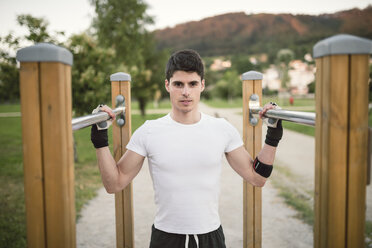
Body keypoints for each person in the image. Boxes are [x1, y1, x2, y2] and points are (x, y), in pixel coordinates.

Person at [90, 49, 283, 248]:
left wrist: (273, 134)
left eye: (192, 84)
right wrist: (100, 136)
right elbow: (114, 184)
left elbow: (257, 178)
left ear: (202, 85)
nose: (185, 92)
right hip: (165, 237)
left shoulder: (221, 129)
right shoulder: (149, 131)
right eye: (178, 84)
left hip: (211, 237)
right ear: (167, 85)